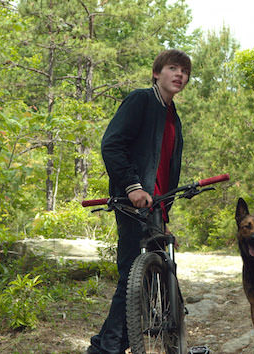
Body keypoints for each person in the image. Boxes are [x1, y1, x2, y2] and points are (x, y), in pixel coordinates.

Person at [87, 49, 191, 354]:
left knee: (145, 280)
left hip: (156, 205)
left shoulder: (172, 116)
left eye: (184, 71)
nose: (179, 75)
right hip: (132, 204)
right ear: (157, 73)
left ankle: (108, 345)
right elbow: (112, 145)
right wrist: (133, 187)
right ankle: (106, 350)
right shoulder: (141, 100)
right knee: (132, 277)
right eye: (173, 68)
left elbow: (165, 167)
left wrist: (164, 206)